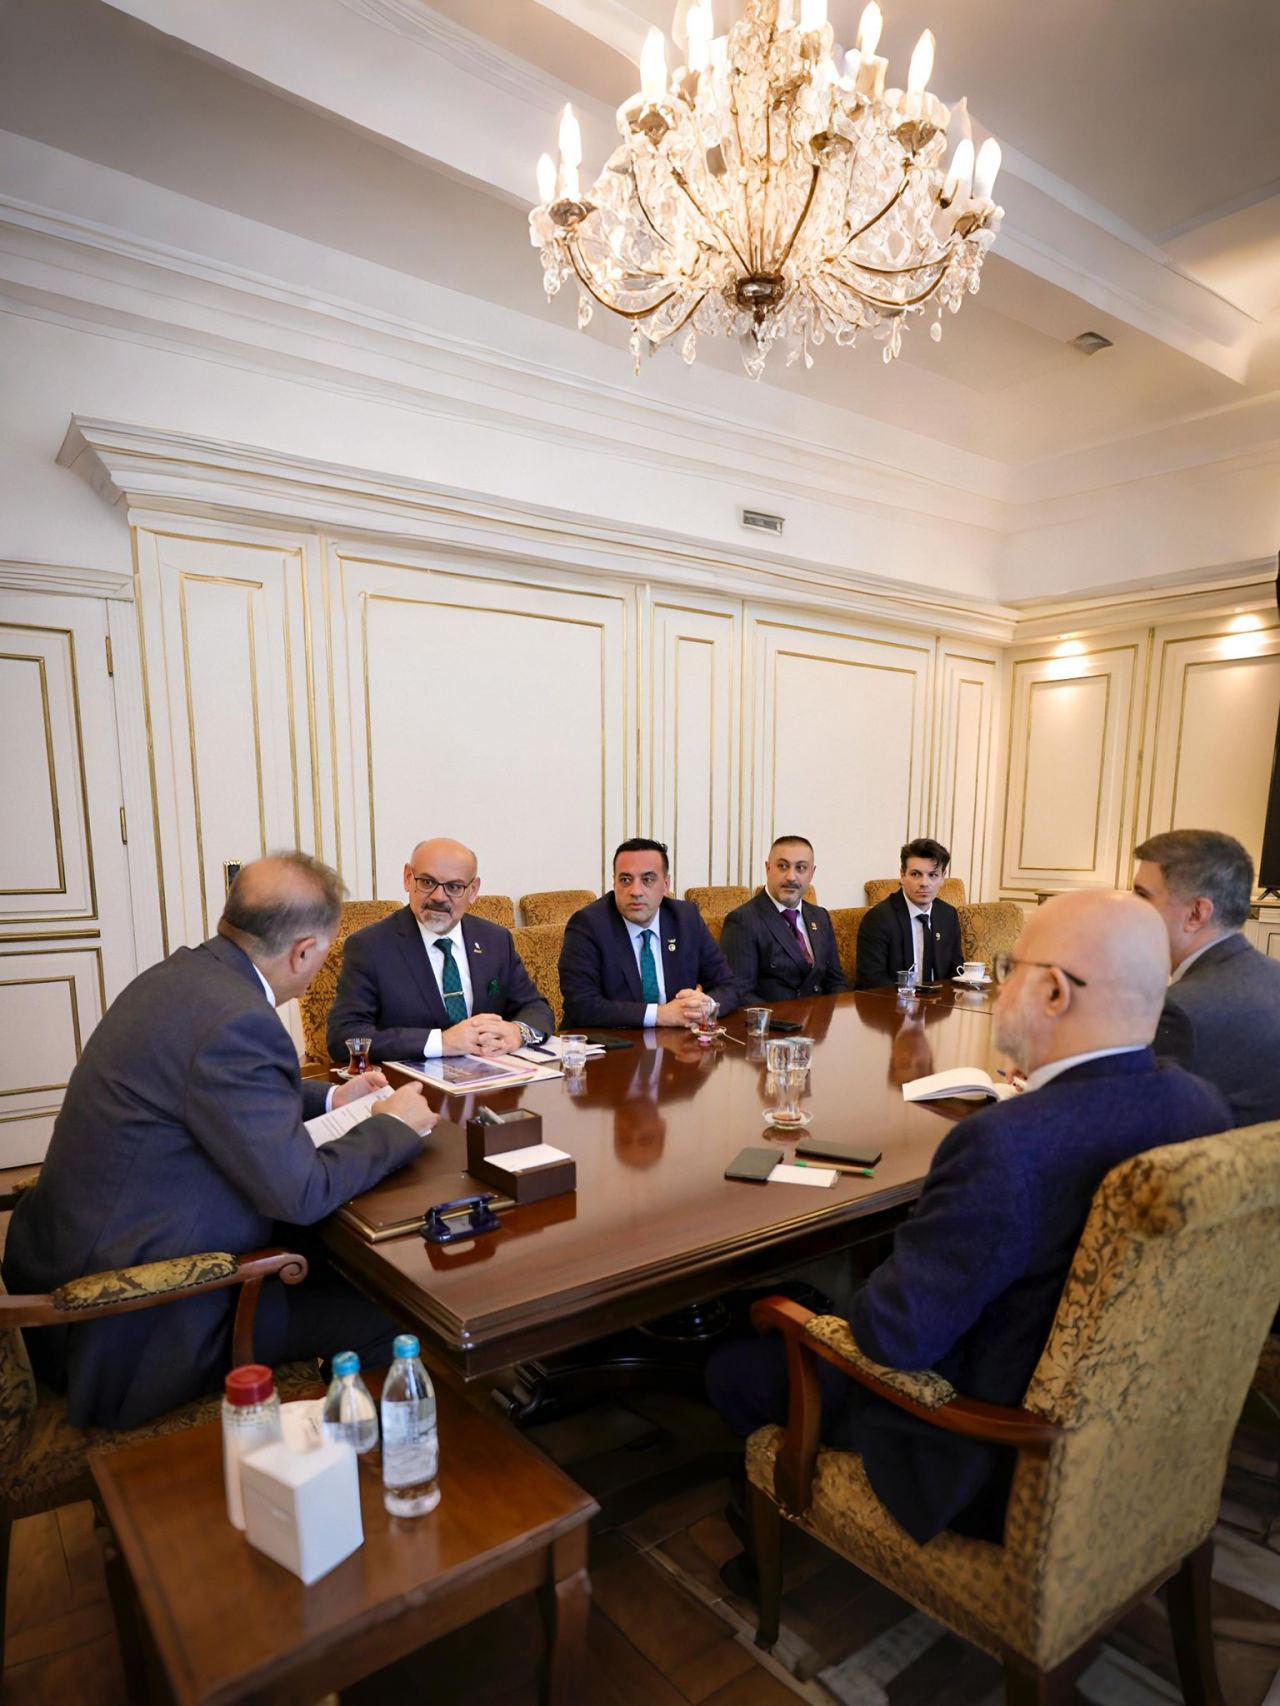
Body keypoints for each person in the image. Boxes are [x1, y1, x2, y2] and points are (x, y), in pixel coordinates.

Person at [707, 891, 1231, 1545]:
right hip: (1131, 1433)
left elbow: (893, 1338)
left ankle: (767, 1517)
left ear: (1054, 993)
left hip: (985, 1456)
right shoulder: (1199, 1104)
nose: (1000, 985)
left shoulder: (1007, 1143)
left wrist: (853, 1292)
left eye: (1010, 967)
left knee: (734, 1368)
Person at [3, 853, 435, 1430]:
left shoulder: (182, 977)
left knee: (334, 1262)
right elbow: (301, 1193)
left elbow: (215, 1087)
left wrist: (335, 1098)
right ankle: (363, 1465)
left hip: (66, 1256)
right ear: (303, 951)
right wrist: (394, 1126)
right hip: (125, 1325)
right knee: (390, 1312)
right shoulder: (240, 1020)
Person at [327, 837, 554, 1063]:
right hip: (411, 1082)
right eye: (427, 882)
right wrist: (441, 1042)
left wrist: (517, 1032)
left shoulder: (495, 939)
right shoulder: (370, 947)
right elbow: (344, 1037)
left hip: (493, 1077)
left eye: (454, 887)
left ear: (473, 890)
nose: (438, 896)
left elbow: (535, 1007)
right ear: (408, 878)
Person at [1134, 828, 1280, 1127]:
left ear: (1196, 914)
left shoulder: (1180, 1010)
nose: (1131, 908)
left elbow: (1137, 1120)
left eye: (1143, 895)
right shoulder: (1273, 975)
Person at [558, 838, 739, 1030]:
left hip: (674, 1042)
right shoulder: (588, 925)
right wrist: (660, 1015)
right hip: (608, 1042)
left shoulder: (686, 918)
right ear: (614, 882)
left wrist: (706, 1006)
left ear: (666, 884)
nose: (636, 891)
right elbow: (581, 1004)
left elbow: (728, 985)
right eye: (625, 880)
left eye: (648, 880)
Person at [719, 835, 848, 1003]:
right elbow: (740, 992)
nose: (791, 877)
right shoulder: (743, 921)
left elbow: (836, 981)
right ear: (768, 868)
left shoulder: (820, 916)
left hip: (819, 1016)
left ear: (812, 873)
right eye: (783, 866)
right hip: (775, 1017)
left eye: (801, 868)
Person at [855, 837, 964, 990]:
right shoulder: (878, 918)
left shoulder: (948, 915)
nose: (924, 883)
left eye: (933, 875)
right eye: (915, 874)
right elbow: (872, 980)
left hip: (939, 1002)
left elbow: (956, 969)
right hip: (895, 1002)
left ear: (942, 877)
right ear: (902, 875)